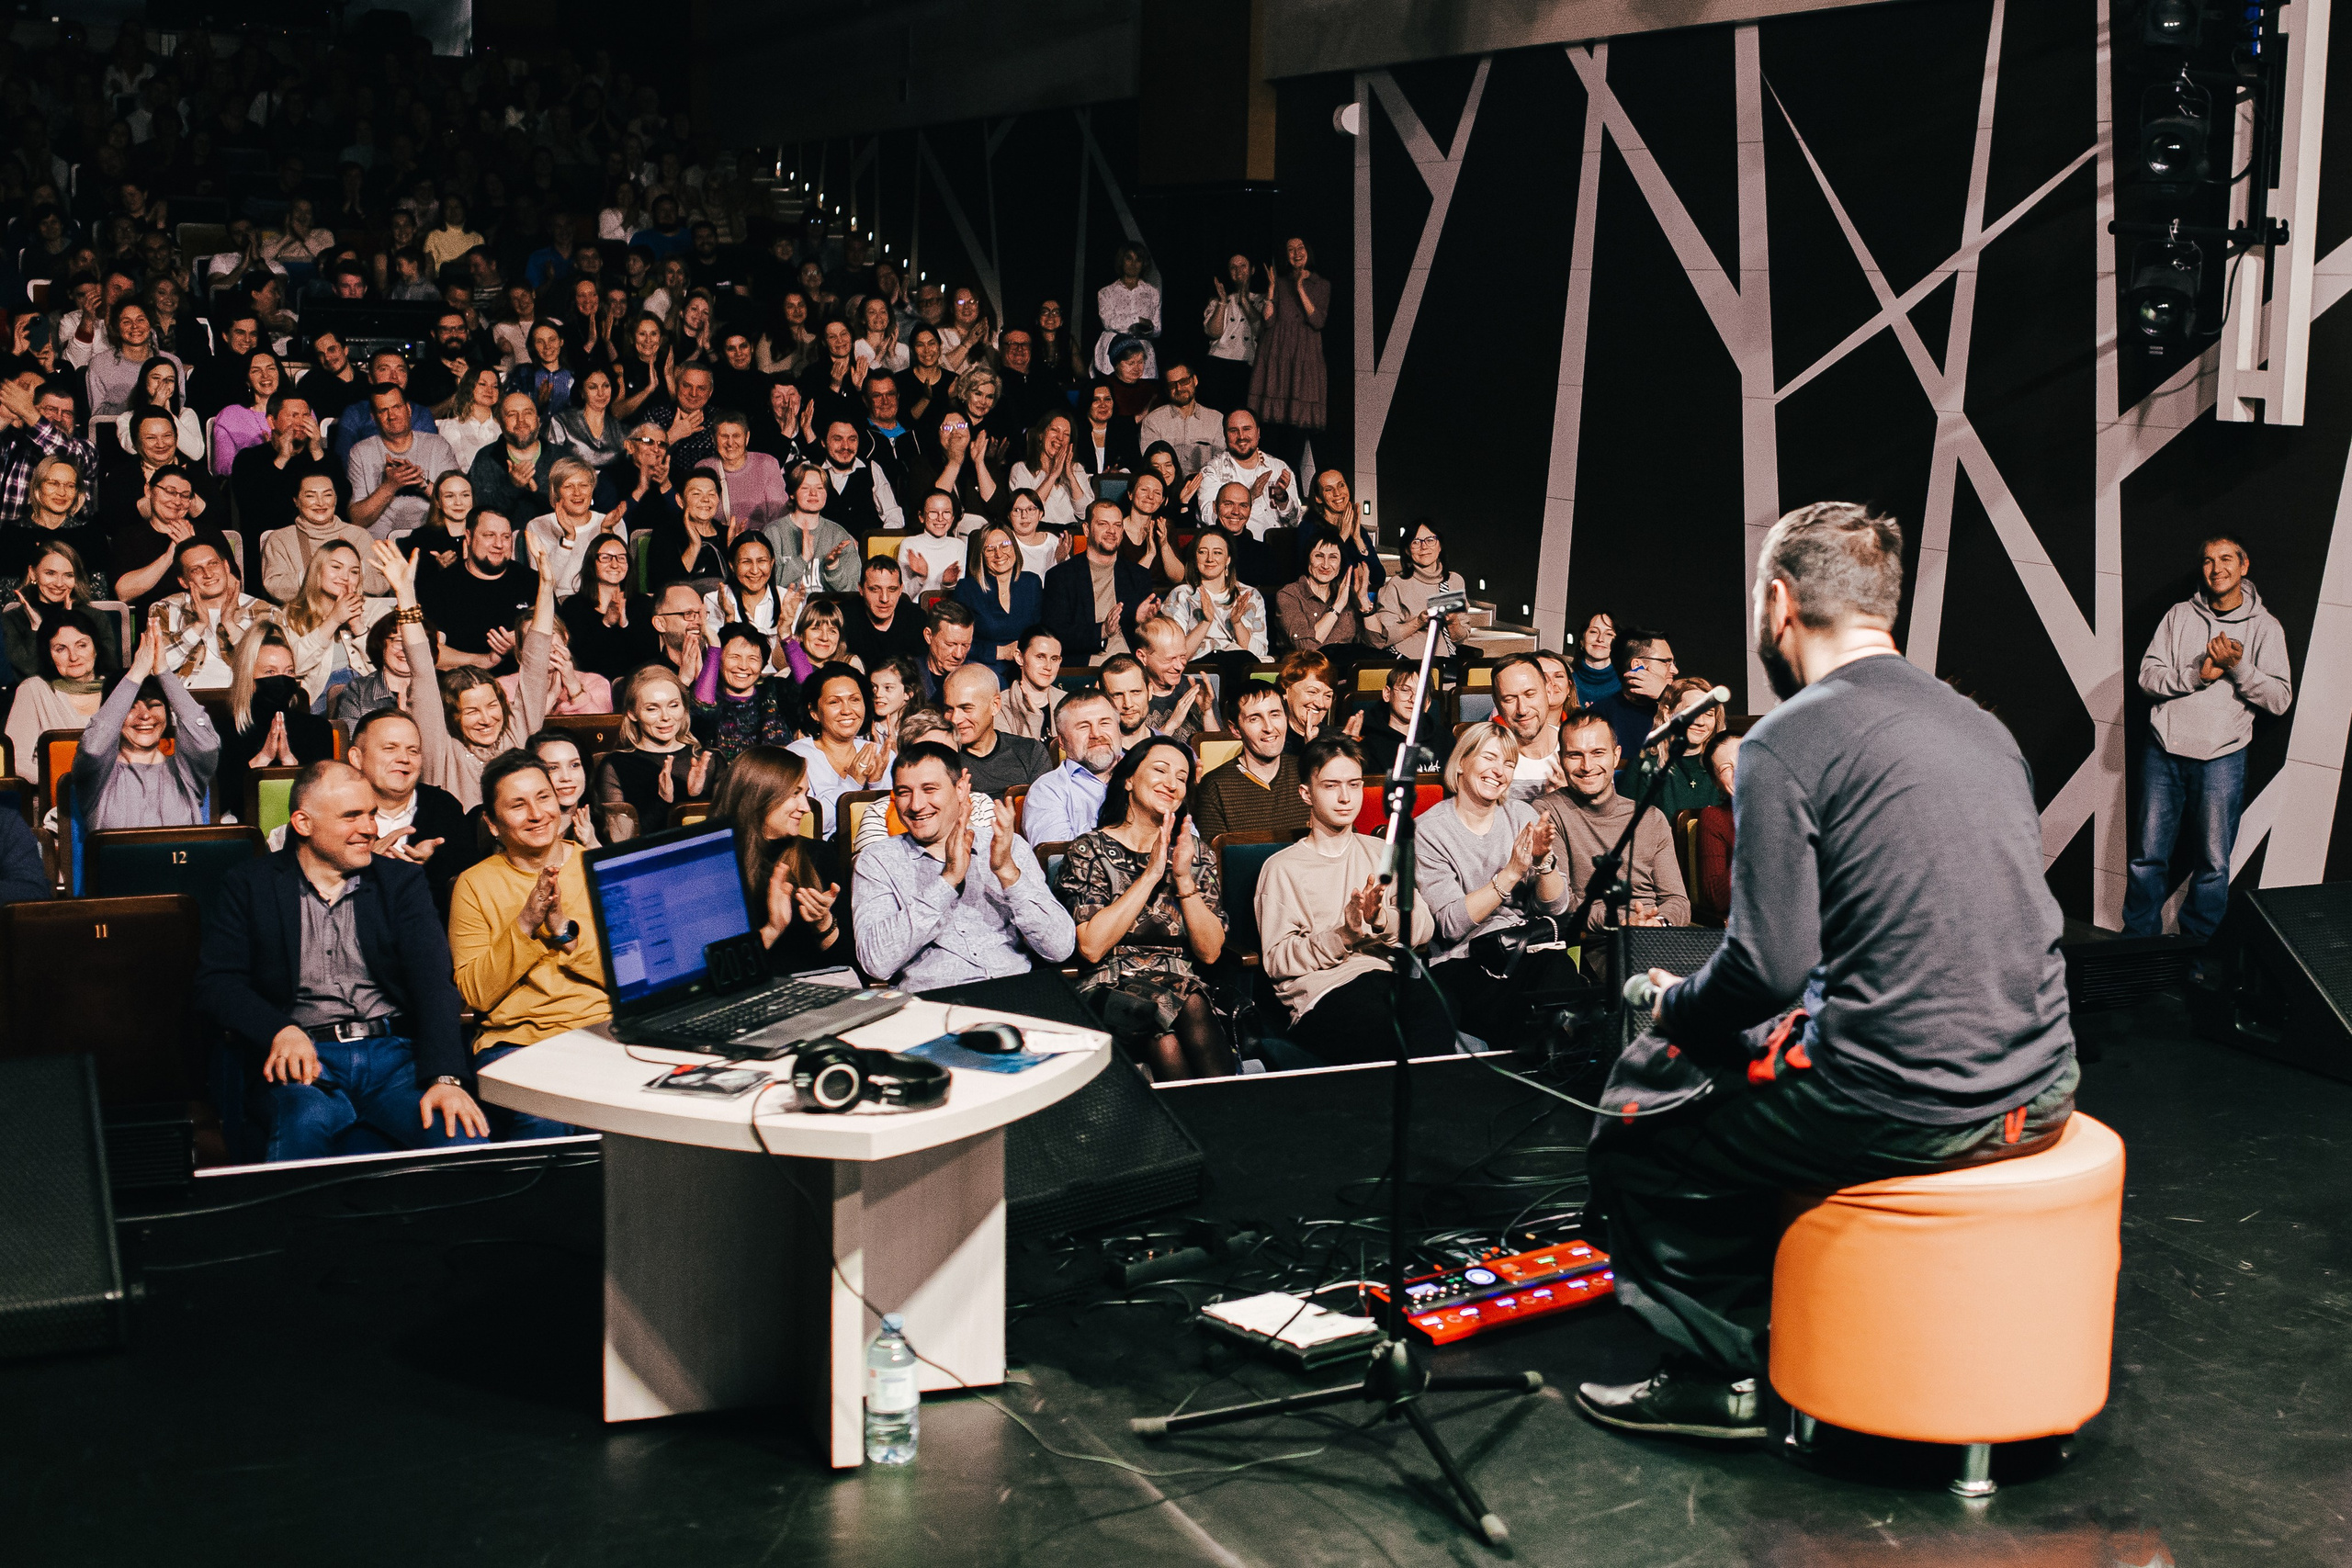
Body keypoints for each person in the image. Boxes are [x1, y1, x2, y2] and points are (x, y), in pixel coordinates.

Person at [1577, 502, 2080, 1442]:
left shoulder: (1785, 739)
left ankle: (1712, 1375)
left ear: (1779, 603)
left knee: (1641, 1118)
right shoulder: (1980, 728)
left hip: (1917, 1099)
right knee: (1750, 1062)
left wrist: (1672, 1011)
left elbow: (1767, 967)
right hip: (2043, 1078)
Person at [195, 760, 490, 1163]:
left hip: (395, 1058)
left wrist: (445, 1077)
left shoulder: (400, 883)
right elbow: (218, 982)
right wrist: (279, 1030)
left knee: (461, 1137)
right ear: (303, 823)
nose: (370, 828)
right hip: (308, 1061)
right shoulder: (251, 885)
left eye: (371, 814)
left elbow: (434, 983)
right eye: (352, 816)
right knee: (304, 1121)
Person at [2125, 533, 2294, 938]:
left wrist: (2238, 668)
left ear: (2243, 566)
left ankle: (2196, 955)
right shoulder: (2179, 615)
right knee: (2147, 858)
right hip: (2163, 751)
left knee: (2214, 864)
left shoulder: (2266, 628)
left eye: (2225, 559)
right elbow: (2147, 677)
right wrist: (2197, 674)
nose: (2216, 568)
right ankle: (2134, 949)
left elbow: (2280, 699)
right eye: (2207, 560)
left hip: (2223, 757)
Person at [447, 750, 607, 1142]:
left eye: (544, 797)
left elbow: (631, 972)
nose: (536, 814)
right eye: (518, 805)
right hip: (517, 1042)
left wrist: (564, 932)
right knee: (544, 1123)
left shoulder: (595, 866)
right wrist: (525, 924)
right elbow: (474, 992)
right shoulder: (473, 885)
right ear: (493, 822)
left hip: (602, 1032)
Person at [1256, 736, 1444, 1065]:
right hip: (1323, 996)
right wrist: (1343, 935)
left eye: (1354, 785)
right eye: (1331, 786)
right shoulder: (1282, 868)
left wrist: (1382, 920)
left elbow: (1424, 928)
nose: (1345, 797)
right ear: (1306, 794)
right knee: (1378, 1027)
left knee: (1439, 1007)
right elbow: (1278, 961)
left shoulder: (1380, 853)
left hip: (1382, 980)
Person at [1057, 738, 1231, 1080]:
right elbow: (1092, 947)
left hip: (1181, 981)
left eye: (1182, 777)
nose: (1172, 783)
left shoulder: (1195, 854)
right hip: (1109, 982)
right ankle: (1224, 1116)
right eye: (1161, 770)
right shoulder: (1088, 851)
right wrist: (1151, 874)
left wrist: (1182, 879)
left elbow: (1210, 953)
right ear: (1128, 779)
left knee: (1167, 1034)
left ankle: (1203, 1121)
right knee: (1183, 1003)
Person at [851, 740, 1076, 991]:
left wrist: (1008, 873)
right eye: (904, 792)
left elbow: (1060, 948)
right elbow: (875, 962)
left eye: (929, 789)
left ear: (960, 790)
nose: (915, 805)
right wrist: (947, 881)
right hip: (935, 1002)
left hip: (1016, 992)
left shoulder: (1006, 847)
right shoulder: (877, 860)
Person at [375, 536, 557, 811]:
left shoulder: (516, 735)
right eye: (471, 711)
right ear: (453, 717)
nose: (487, 719)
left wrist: (546, 586)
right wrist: (405, 595)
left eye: (492, 706)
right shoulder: (442, 750)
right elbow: (422, 671)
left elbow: (535, 662)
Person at [1416, 723, 1572, 1039]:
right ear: (1462, 762)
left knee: (1559, 970)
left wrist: (1543, 863)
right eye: (1489, 758)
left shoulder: (1521, 815)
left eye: (1509, 763)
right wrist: (1512, 872)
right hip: (1463, 959)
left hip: (1523, 948)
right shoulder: (1430, 831)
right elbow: (1451, 924)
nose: (1499, 771)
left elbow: (1556, 906)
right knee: (1540, 999)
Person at [1536, 706, 1689, 942]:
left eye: (1598, 753)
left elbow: (1677, 901)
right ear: (1561, 759)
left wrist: (1657, 923)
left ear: (1616, 755)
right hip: (1599, 940)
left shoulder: (1651, 817)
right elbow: (1563, 903)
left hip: (1659, 935)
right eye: (1575, 755)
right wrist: (1621, 922)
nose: (1587, 766)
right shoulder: (1548, 813)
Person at [71, 618, 220, 830]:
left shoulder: (185, 772)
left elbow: (207, 743)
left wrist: (164, 673)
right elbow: (93, 748)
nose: (145, 716)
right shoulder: (98, 775)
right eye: (131, 707)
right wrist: (136, 673)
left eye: (154, 705)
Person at [712, 744, 848, 976]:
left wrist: (823, 923)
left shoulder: (818, 854)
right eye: (795, 793)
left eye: (805, 793)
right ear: (759, 795)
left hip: (818, 992)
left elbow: (847, 965)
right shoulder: (718, 865)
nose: (805, 807)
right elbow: (717, 976)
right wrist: (772, 930)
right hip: (750, 998)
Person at [334, 706, 472, 893]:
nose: (405, 759)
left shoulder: (444, 807)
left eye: (413, 751)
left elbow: (469, 886)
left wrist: (432, 865)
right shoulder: (332, 810)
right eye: (390, 748)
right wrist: (364, 863)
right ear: (356, 758)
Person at [594, 663, 719, 836]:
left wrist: (695, 799)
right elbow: (622, 844)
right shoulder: (614, 766)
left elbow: (724, 834)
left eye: (673, 705)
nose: (666, 717)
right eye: (652, 708)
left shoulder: (710, 761)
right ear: (632, 713)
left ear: (684, 708)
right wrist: (662, 801)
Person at [415, 509, 540, 674]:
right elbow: (426, 651)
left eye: (506, 537)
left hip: (523, 681)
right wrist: (485, 660)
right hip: (461, 685)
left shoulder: (532, 581)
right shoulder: (439, 586)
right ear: (468, 537)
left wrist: (524, 642)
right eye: (489, 535)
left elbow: (559, 637)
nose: (499, 544)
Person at [1249, 238, 1331, 470]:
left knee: (1297, 430)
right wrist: (1272, 289)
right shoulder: (1279, 283)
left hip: (1304, 358)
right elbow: (1268, 320)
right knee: (1273, 430)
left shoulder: (1321, 284)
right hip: (1278, 355)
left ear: (1308, 251)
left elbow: (1317, 321)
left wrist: (1300, 288)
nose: (1296, 253)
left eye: (1300, 248)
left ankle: (1293, 493)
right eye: (1290, 250)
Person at [1193, 681, 1310, 843]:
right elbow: (1215, 860)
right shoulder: (1214, 786)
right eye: (1255, 718)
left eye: (1275, 714)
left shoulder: (1309, 772)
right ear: (1235, 730)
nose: (1269, 727)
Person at [1042, 499, 1153, 664]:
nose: (1111, 531)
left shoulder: (1139, 576)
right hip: (1086, 666)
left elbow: (1149, 640)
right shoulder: (1061, 576)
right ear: (1086, 529)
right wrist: (1102, 631)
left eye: (1117, 525)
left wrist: (1141, 623)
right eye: (1103, 524)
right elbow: (1054, 635)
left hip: (1132, 665)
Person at [150, 533, 267, 690]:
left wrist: (231, 626)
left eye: (213, 564)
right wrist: (198, 626)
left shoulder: (263, 611)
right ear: (183, 581)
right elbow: (156, 667)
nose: (208, 574)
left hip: (246, 698)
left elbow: (269, 668)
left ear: (226, 567)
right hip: (187, 701)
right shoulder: (165, 609)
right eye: (196, 570)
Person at [788, 663, 889, 835]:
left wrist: (876, 784)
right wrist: (852, 783)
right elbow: (807, 825)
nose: (847, 710)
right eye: (834, 702)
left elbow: (896, 821)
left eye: (855, 700)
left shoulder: (881, 753)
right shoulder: (797, 756)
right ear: (814, 712)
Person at [6, 603, 108, 763]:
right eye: (61, 649)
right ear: (49, 656)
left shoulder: (118, 688)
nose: (73, 657)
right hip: (51, 787)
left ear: (95, 649)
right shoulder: (34, 690)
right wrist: (62, 783)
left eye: (82, 645)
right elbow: (16, 762)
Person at [691, 620, 799, 764]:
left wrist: (786, 636)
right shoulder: (711, 698)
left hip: (777, 781)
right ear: (719, 660)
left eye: (753, 659)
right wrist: (714, 647)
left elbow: (810, 685)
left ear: (763, 665)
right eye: (734, 657)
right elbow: (701, 710)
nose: (743, 666)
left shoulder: (775, 690)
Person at [558, 530, 658, 682]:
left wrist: (624, 624)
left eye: (621, 558)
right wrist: (606, 623)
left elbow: (649, 658)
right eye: (605, 558)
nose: (614, 564)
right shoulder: (574, 607)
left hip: (638, 685)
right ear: (592, 563)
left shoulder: (642, 603)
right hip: (592, 687)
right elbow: (581, 661)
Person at [1023, 692, 1121, 845]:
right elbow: (1056, 860)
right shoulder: (1047, 790)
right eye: (1083, 727)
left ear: (1118, 729)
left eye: (1105, 723)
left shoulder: (1144, 776)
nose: (1096, 733)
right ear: (1062, 741)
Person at [1190, 408, 1302, 538]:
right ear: (1225, 436)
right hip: (1234, 547)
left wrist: (1283, 499)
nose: (1241, 436)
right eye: (1233, 431)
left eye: (1247, 429)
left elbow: (1295, 522)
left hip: (1276, 547)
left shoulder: (1279, 468)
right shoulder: (1212, 471)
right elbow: (1210, 519)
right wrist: (1250, 496)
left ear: (1258, 432)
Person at [942, 664, 1053, 795]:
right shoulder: (940, 759)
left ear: (995, 705)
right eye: (949, 709)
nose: (955, 719)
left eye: (966, 708)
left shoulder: (1030, 752)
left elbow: (1046, 810)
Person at [1372, 518, 1472, 661]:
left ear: (1440, 545)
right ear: (1407, 550)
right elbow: (1384, 637)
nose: (1424, 547)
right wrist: (1418, 622)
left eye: (1430, 540)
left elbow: (1461, 638)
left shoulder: (1454, 581)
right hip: (1407, 662)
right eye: (1416, 542)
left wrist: (1453, 622)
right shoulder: (1397, 584)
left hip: (1444, 660)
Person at [956, 524, 1046, 677]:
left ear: (1015, 548)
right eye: (990, 549)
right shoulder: (967, 588)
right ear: (981, 555)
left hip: (1026, 667)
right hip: (984, 667)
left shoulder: (1032, 582)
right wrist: (1000, 652)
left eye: (1005, 545)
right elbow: (957, 643)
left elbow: (1042, 632)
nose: (999, 554)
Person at [1164, 529, 1268, 660]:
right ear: (1195, 558)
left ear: (1228, 559)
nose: (1210, 559)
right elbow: (1175, 655)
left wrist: (1237, 624)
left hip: (1240, 667)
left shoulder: (1250, 595)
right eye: (1202, 552)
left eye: (1217, 552)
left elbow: (1259, 654)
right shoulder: (1181, 595)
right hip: (1199, 668)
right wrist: (1205, 622)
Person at [524, 457, 615, 600]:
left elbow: (617, 579)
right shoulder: (536, 526)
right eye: (568, 486)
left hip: (601, 602)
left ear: (592, 489)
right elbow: (544, 585)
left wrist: (607, 534)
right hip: (555, 604)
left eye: (584, 485)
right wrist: (568, 540)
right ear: (556, 493)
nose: (577, 493)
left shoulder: (611, 522)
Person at [765, 462, 862, 594]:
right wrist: (802, 560)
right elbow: (765, 586)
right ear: (792, 493)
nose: (813, 493)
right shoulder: (773, 533)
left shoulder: (839, 535)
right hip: (786, 612)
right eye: (805, 488)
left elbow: (852, 591)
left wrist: (833, 566)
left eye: (820, 488)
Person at [1278, 535, 1377, 657]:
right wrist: (1338, 606)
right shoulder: (1289, 595)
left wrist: (1364, 602)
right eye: (1319, 556)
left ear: (1341, 564)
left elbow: (1377, 644)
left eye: (1333, 558)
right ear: (1308, 559)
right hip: (1306, 671)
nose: (1325, 565)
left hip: (1347, 670)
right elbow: (1306, 648)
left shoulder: (1351, 594)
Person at [1645, 677, 1731, 818]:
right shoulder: (1645, 765)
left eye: (1709, 714)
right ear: (1668, 714)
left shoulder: (1725, 766)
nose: (1700, 722)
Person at [1593, 627, 1679, 761]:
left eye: (1673, 663)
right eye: (1666, 662)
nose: (1675, 670)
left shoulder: (1674, 707)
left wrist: (1665, 694)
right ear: (1637, 666)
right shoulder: (1599, 714)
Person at [1295, 468, 1385, 593]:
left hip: (1352, 600)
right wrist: (1341, 537)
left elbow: (1378, 578)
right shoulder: (1308, 528)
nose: (1337, 493)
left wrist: (1358, 539)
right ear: (1318, 498)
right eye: (1328, 489)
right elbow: (1312, 577)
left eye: (1341, 485)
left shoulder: (1358, 530)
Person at [1493, 653, 1566, 802]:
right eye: (1509, 699)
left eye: (1530, 694)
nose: (1522, 710)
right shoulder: (1486, 758)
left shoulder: (1579, 752)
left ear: (1548, 692)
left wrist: (1572, 799)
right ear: (1497, 703)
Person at [1201, 254, 1264, 414]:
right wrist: (1222, 301)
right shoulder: (1219, 300)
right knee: (1216, 414)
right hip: (1219, 362)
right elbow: (1214, 332)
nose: (1238, 271)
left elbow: (1260, 330)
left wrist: (1244, 299)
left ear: (1252, 270)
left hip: (1247, 363)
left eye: (1243, 266)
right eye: (1233, 267)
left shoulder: (1262, 300)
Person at [1136, 361, 1222, 479]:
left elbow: (1222, 463)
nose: (1179, 388)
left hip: (1205, 488)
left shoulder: (1216, 419)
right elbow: (1152, 467)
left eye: (1184, 381)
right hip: (1168, 489)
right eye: (1172, 385)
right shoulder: (1153, 421)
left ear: (1195, 380)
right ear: (1167, 389)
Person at [842, 555, 929, 670]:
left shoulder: (916, 618)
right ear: (861, 589)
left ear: (900, 589)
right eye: (875, 589)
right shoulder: (843, 617)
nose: (884, 598)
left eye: (892, 589)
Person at [1355, 663, 1432, 778]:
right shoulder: (1369, 748)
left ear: (1427, 703)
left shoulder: (1445, 741)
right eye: (1405, 690)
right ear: (1387, 694)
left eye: (1421, 693)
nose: (1413, 699)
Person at [1693, 730, 1740, 920]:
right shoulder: (1714, 818)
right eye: (1726, 768)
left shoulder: (1794, 805)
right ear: (1717, 783)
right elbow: (1715, 897)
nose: (1739, 770)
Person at [999, 626, 1064, 741]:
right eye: (1040, 657)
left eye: (1054, 659)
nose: (1048, 667)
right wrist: (1034, 717)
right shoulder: (1002, 706)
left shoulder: (1067, 701)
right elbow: (1013, 757)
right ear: (1020, 658)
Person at [897, 488, 966, 595]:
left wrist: (948, 584)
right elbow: (903, 595)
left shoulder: (958, 545)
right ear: (921, 517)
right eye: (933, 512)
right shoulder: (909, 544)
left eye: (946, 513)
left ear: (952, 518)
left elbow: (960, 594)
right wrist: (921, 578)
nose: (940, 518)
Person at [1275, 649, 1337, 755]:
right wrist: (1311, 751)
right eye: (1312, 692)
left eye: (1327, 695)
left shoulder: (1334, 741)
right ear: (1285, 690)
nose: (1321, 704)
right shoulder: (1271, 739)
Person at [918, 597, 978, 704]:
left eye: (965, 645)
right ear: (929, 636)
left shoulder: (978, 677)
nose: (959, 655)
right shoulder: (907, 675)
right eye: (950, 644)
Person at [1573, 611, 1623, 706]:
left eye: (1609, 634)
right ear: (1582, 641)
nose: (1600, 639)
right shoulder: (1567, 682)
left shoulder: (1627, 685)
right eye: (1593, 632)